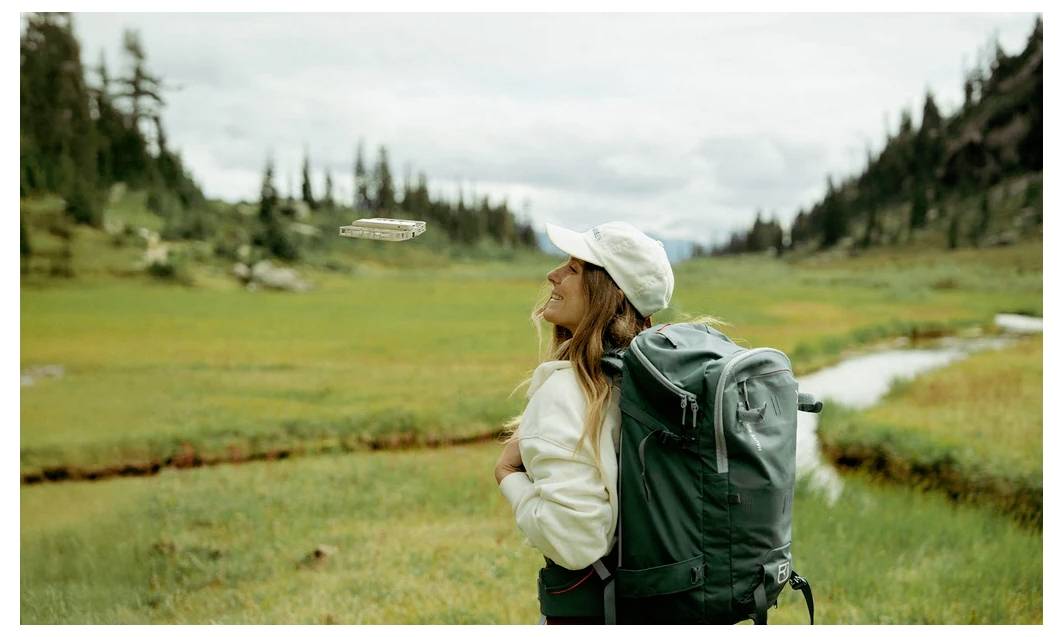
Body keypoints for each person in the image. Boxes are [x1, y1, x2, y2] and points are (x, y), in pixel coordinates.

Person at [494, 221, 674, 625]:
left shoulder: (569, 393)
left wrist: (508, 475)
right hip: (659, 605)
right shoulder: (649, 381)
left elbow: (575, 541)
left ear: (604, 293)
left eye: (573, 269)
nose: (552, 275)